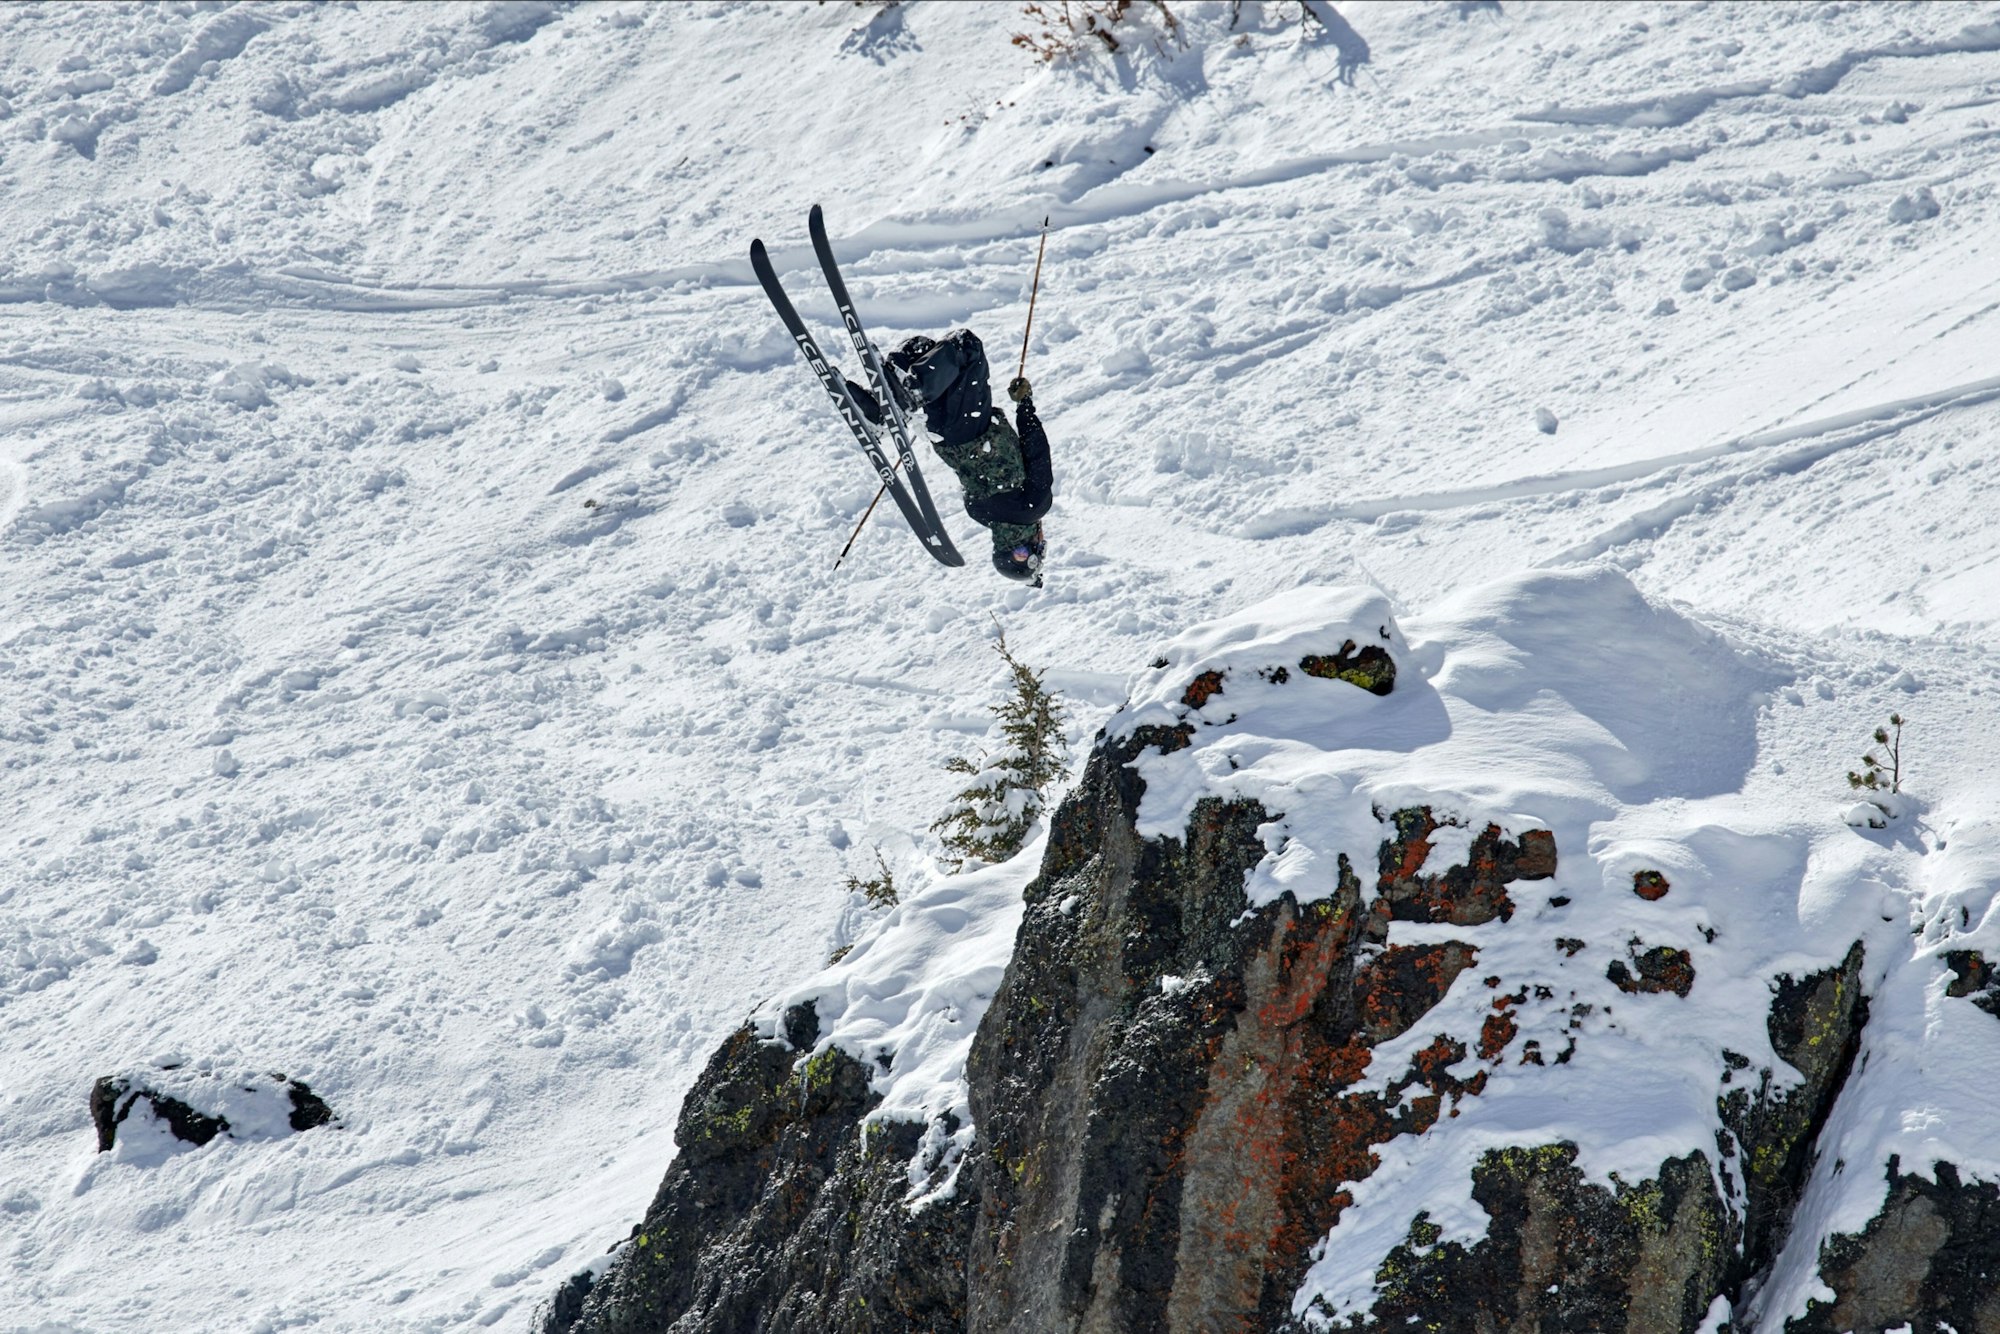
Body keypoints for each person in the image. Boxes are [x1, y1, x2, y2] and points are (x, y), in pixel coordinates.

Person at [845, 329, 1052, 585]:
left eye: (1024, 552)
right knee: (923, 351)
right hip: (941, 435)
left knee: (967, 348)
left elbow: (1037, 450)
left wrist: (1025, 404)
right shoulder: (979, 514)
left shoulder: (1034, 507)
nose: (1037, 541)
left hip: (973, 427)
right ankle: (880, 408)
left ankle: (903, 399)